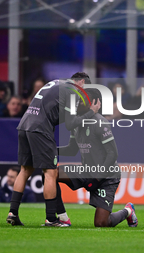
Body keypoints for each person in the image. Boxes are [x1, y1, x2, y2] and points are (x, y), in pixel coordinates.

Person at [6, 72, 101, 227]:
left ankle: (13, 213)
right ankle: (51, 218)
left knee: (25, 171)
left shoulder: (56, 83)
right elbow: (70, 124)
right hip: (40, 128)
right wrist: (91, 112)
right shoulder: (73, 91)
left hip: (24, 124)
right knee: (51, 173)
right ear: (82, 82)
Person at [56, 88, 138, 228]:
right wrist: (51, 150)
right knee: (52, 174)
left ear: (93, 103)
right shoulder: (75, 123)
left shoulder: (101, 123)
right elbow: (71, 150)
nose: (77, 102)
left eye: (81, 99)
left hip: (106, 177)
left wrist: (98, 178)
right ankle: (61, 217)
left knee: (101, 223)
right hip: (87, 171)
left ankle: (127, 211)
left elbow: (113, 154)